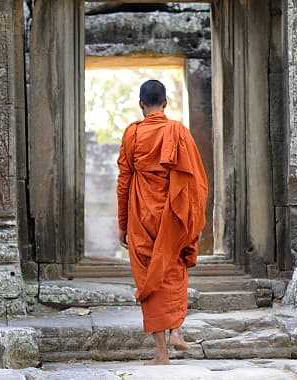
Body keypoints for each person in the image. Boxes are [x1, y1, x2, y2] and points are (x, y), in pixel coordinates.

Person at [117, 80, 209, 365]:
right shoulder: (178, 132)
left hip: (142, 216)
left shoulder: (132, 134)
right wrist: (190, 218)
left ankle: (161, 353)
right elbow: (195, 180)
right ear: (165, 103)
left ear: (141, 104)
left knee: (149, 277)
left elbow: (124, 181)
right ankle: (177, 330)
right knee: (173, 268)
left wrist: (122, 223)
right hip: (174, 213)